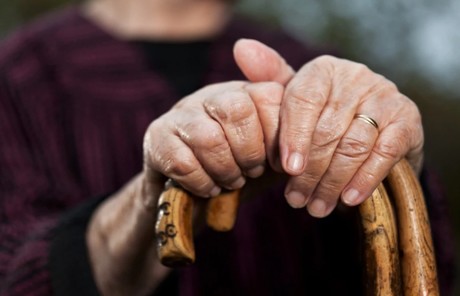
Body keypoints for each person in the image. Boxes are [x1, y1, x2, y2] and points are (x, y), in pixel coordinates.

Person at [0, 0, 454, 295]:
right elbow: (15, 272)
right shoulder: (21, 79)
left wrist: (386, 164)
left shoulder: (310, 62)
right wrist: (140, 211)